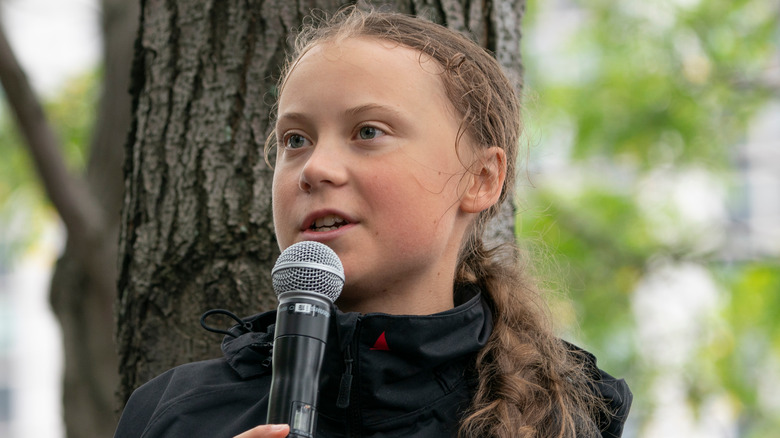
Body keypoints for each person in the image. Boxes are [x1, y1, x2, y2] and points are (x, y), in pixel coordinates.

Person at [114, 7, 632, 438]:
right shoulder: (175, 413)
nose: (315, 168)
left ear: (480, 178)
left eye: (368, 131)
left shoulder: (574, 417)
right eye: (295, 140)